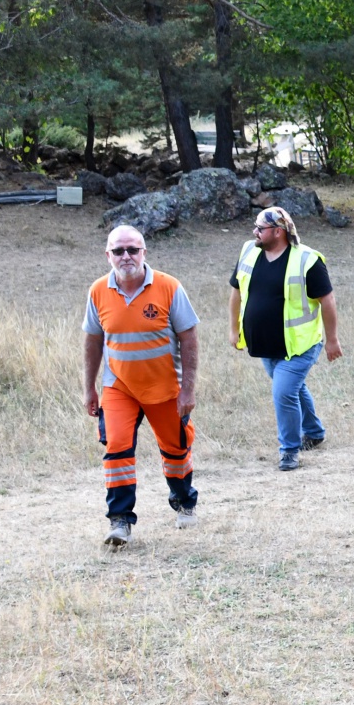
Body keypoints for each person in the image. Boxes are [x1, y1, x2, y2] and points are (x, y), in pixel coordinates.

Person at [82, 225, 201, 547]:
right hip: (119, 388)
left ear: (144, 252)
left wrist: (187, 389)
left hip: (165, 389)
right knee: (117, 449)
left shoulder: (169, 287)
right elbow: (93, 341)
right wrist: (89, 388)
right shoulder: (97, 291)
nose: (126, 256)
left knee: (176, 451)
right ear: (108, 255)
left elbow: (189, 338)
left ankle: (184, 501)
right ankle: (120, 521)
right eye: (118, 251)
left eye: (133, 249)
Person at [228, 206, 343, 470]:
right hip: (265, 344)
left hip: (301, 345)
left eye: (260, 228)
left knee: (283, 392)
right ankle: (314, 432)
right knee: (293, 388)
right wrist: (234, 329)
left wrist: (332, 340)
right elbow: (236, 291)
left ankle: (289, 451)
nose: (255, 232)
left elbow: (327, 300)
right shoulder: (249, 250)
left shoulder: (307, 260)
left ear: (278, 231)